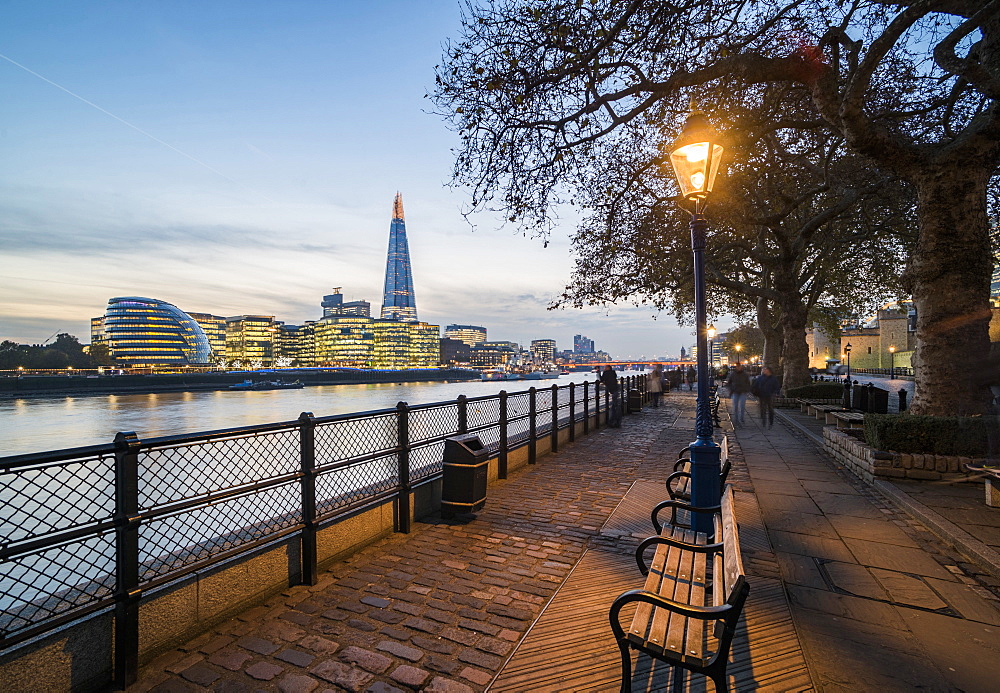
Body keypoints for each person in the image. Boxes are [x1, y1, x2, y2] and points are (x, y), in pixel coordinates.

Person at [725, 363, 751, 427]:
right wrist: (732, 389)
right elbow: (729, 383)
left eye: (740, 367)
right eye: (738, 367)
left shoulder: (745, 374)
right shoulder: (733, 374)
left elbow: (748, 383)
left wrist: (746, 389)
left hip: (742, 392)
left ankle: (741, 419)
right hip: (735, 392)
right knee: (735, 407)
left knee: (742, 407)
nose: (739, 368)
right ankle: (736, 420)